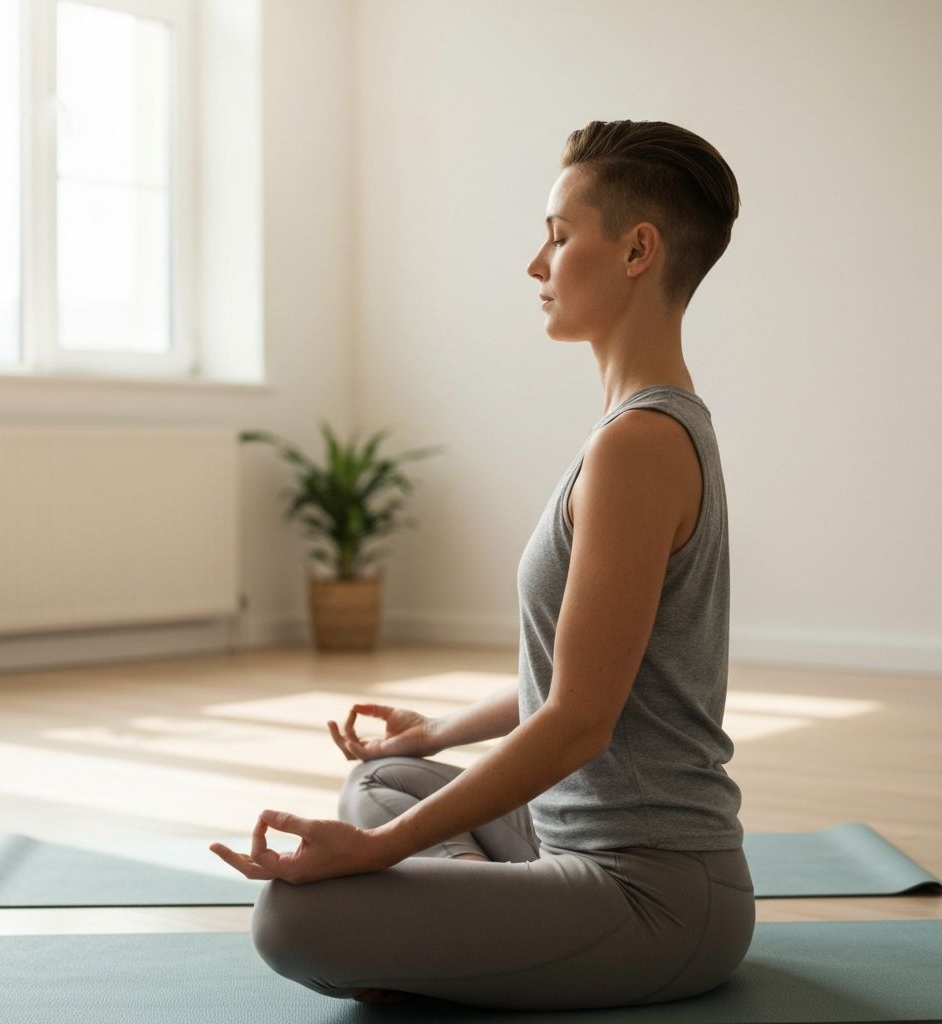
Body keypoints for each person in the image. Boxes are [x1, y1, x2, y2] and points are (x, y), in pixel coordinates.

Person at [210, 118, 755, 1011]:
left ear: (637, 251)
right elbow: (593, 669)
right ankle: (473, 918)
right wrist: (433, 735)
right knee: (383, 777)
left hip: (655, 892)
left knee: (290, 925)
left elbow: (581, 719)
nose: (536, 265)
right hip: (563, 838)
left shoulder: (641, 446)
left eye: (558, 234)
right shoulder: (639, 431)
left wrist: (382, 855)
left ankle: (460, 917)